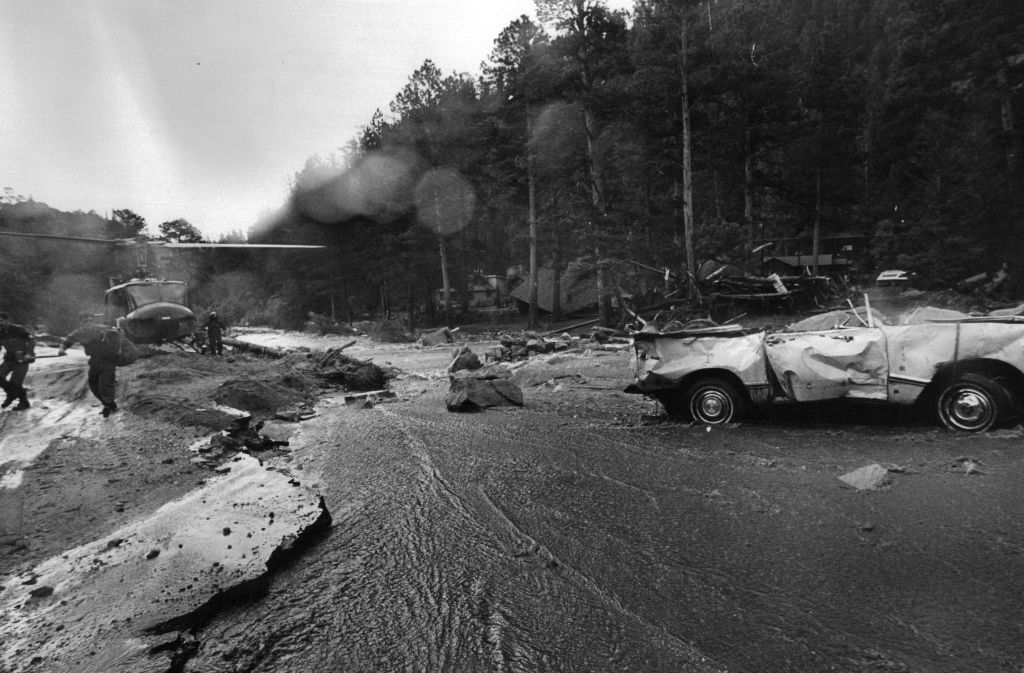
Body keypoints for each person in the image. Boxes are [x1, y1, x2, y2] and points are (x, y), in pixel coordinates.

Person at [58, 313, 120, 417]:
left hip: (108, 360)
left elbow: (118, 332)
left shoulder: (102, 329)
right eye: (85, 321)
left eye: (91, 320)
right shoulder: (79, 333)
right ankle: (109, 403)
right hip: (94, 361)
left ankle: (108, 405)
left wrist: (117, 348)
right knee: (93, 384)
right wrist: (61, 350)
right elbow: (66, 342)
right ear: (80, 323)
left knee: (105, 383)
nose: (88, 323)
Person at [0, 311, 35, 411]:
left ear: (7, 321)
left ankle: (22, 402)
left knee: (15, 382)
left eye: (1, 321)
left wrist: (29, 353)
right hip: (9, 359)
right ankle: (12, 394)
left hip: (21, 360)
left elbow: (31, 340)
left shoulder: (18, 329)